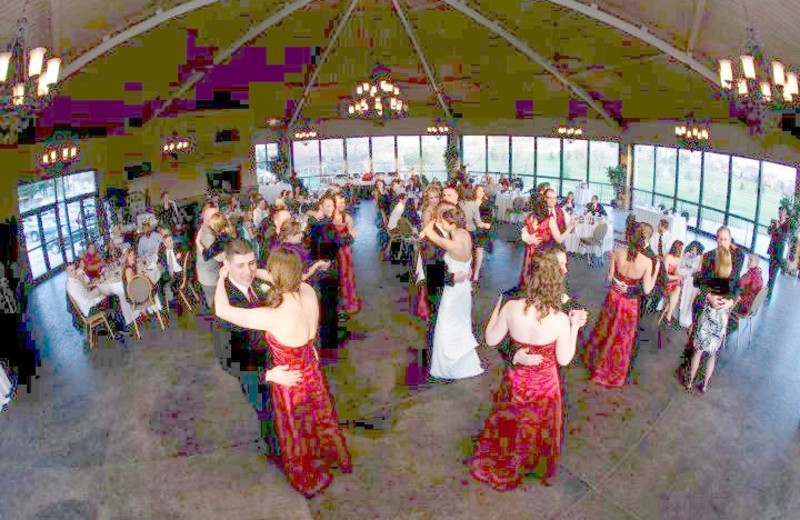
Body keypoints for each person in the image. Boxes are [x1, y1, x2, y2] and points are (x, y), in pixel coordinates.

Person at [214, 247, 351, 497]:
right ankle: (333, 457)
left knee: (296, 431)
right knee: (319, 418)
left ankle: (308, 475)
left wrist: (221, 277)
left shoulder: (274, 315)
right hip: (311, 370)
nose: (253, 271)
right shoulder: (307, 291)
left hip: (290, 381)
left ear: (276, 273)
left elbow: (222, 311)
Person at [469, 254, 588, 490]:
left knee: (512, 421)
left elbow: (491, 339)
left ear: (530, 277)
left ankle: (508, 459)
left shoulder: (512, 308)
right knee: (537, 426)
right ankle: (532, 464)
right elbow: (564, 359)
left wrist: (497, 307)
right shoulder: (561, 319)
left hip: (516, 380)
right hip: (545, 385)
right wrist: (575, 327)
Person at [583, 225, 661, 387]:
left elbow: (610, 277)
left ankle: (595, 361)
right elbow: (647, 290)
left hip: (613, 297)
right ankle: (612, 370)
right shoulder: (647, 262)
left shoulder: (618, 253)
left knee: (605, 329)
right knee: (621, 339)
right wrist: (655, 272)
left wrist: (619, 283)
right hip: (628, 304)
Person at [420, 205, 484, 380]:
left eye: (443, 220)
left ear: (451, 223)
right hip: (465, 290)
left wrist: (434, 218)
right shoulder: (466, 235)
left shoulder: (450, 244)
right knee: (462, 323)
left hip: (452, 291)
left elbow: (427, 231)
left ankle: (446, 365)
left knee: (445, 326)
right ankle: (464, 360)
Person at [685, 226, 743, 393]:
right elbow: (700, 282)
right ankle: (691, 380)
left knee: (712, 352)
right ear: (716, 238)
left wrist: (730, 302)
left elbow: (737, 285)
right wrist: (709, 295)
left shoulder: (738, 257)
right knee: (698, 348)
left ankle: (704, 383)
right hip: (708, 307)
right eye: (719, 238)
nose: (721, 242)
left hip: (723, 311)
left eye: (725, 239)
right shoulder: (709, 256)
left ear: (731, 240)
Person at [333, 194, 361, 315]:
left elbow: (353, 235)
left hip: (344, 251)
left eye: (344, 202)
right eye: (340, 202)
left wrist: (349, 238)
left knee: (346, 277)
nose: (342, 205)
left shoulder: (347, 218)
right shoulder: (328, 217)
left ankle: (350, 303)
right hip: (332, 251)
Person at [462, 185, 492, 282]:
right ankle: (468, 271)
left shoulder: (486, 204)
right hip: (470, 230)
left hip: (481, 231)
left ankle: (476, 273)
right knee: (468, 252)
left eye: (482, 191)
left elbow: (489, 219)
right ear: (475, 191)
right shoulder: (469, 203)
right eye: (479, 190)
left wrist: (485, 226)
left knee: (479, 252)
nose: (481, 192)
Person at [658, 241, 684, 328]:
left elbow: (676, 273)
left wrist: (679, 276)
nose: (683, 251)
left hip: (673, 281)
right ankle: (668, 316)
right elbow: (665, 276)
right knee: (676, 291)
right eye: (682, 249)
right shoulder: (668, 257)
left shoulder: (679, 259)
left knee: (678, 289)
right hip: (665, 281)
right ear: (678, 249)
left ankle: (668, 315)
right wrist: (678, 277)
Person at [767, 206, 790, 298]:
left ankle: (769, 293)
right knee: (770, 271)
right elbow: (769, 232)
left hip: (778, 253)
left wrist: (777, 227)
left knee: (773, 273)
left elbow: (782, 237)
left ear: (785, 215)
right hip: (772, 251)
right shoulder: (776, 223)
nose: (780, 215)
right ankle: (767, 291)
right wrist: (771, 226)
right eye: (779, 213)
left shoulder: (786, 226)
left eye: (781, 213)